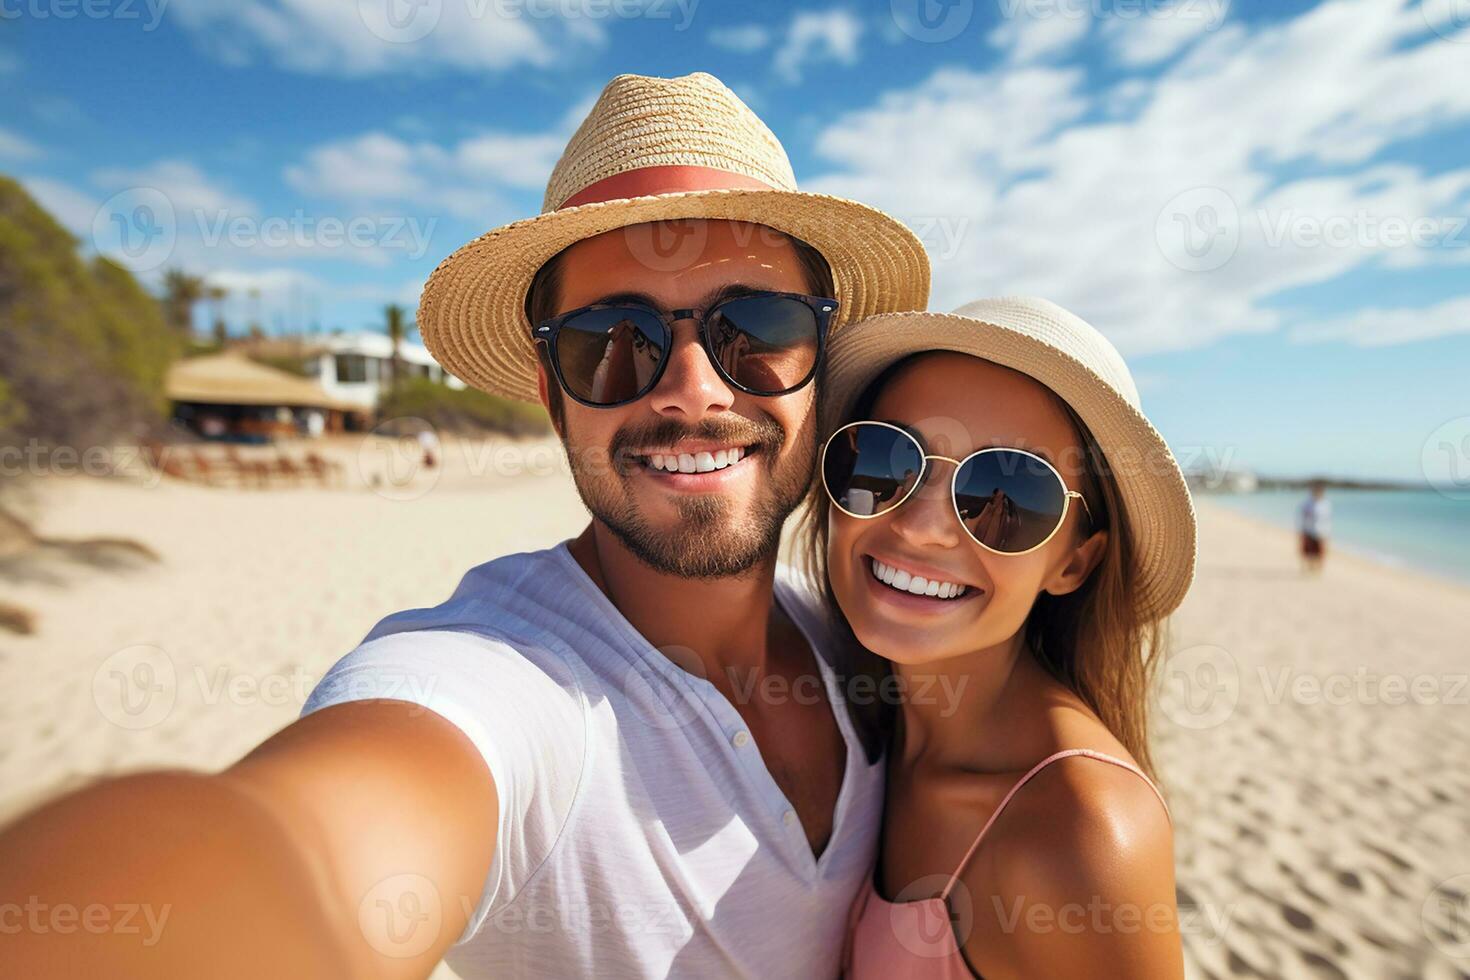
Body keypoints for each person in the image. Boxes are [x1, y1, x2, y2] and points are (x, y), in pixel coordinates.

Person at [0, 72, 929, 978]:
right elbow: (297, 848)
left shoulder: (852, 634)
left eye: (754, 329)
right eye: (612, 344)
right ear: (547, 392)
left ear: (819, 363)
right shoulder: (496, 680)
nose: (693, 389)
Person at [807, 298, 1197, 978]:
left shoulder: (1082, 833)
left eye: (1009, 495)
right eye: (885, 460)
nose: (922, 527)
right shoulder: (847, 722)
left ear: (1074, 560)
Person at [1299, 480, 1330, 575]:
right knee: (1310, 551)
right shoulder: (1308, 503)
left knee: (1320, 552)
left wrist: (1327, 532)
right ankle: (1311, 567)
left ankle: (1319, 569)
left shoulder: (1326, 504)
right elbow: (1303, 516)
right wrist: (1303, 530)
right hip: (1309, 530)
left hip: (1321, 531)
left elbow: (1327, 519)